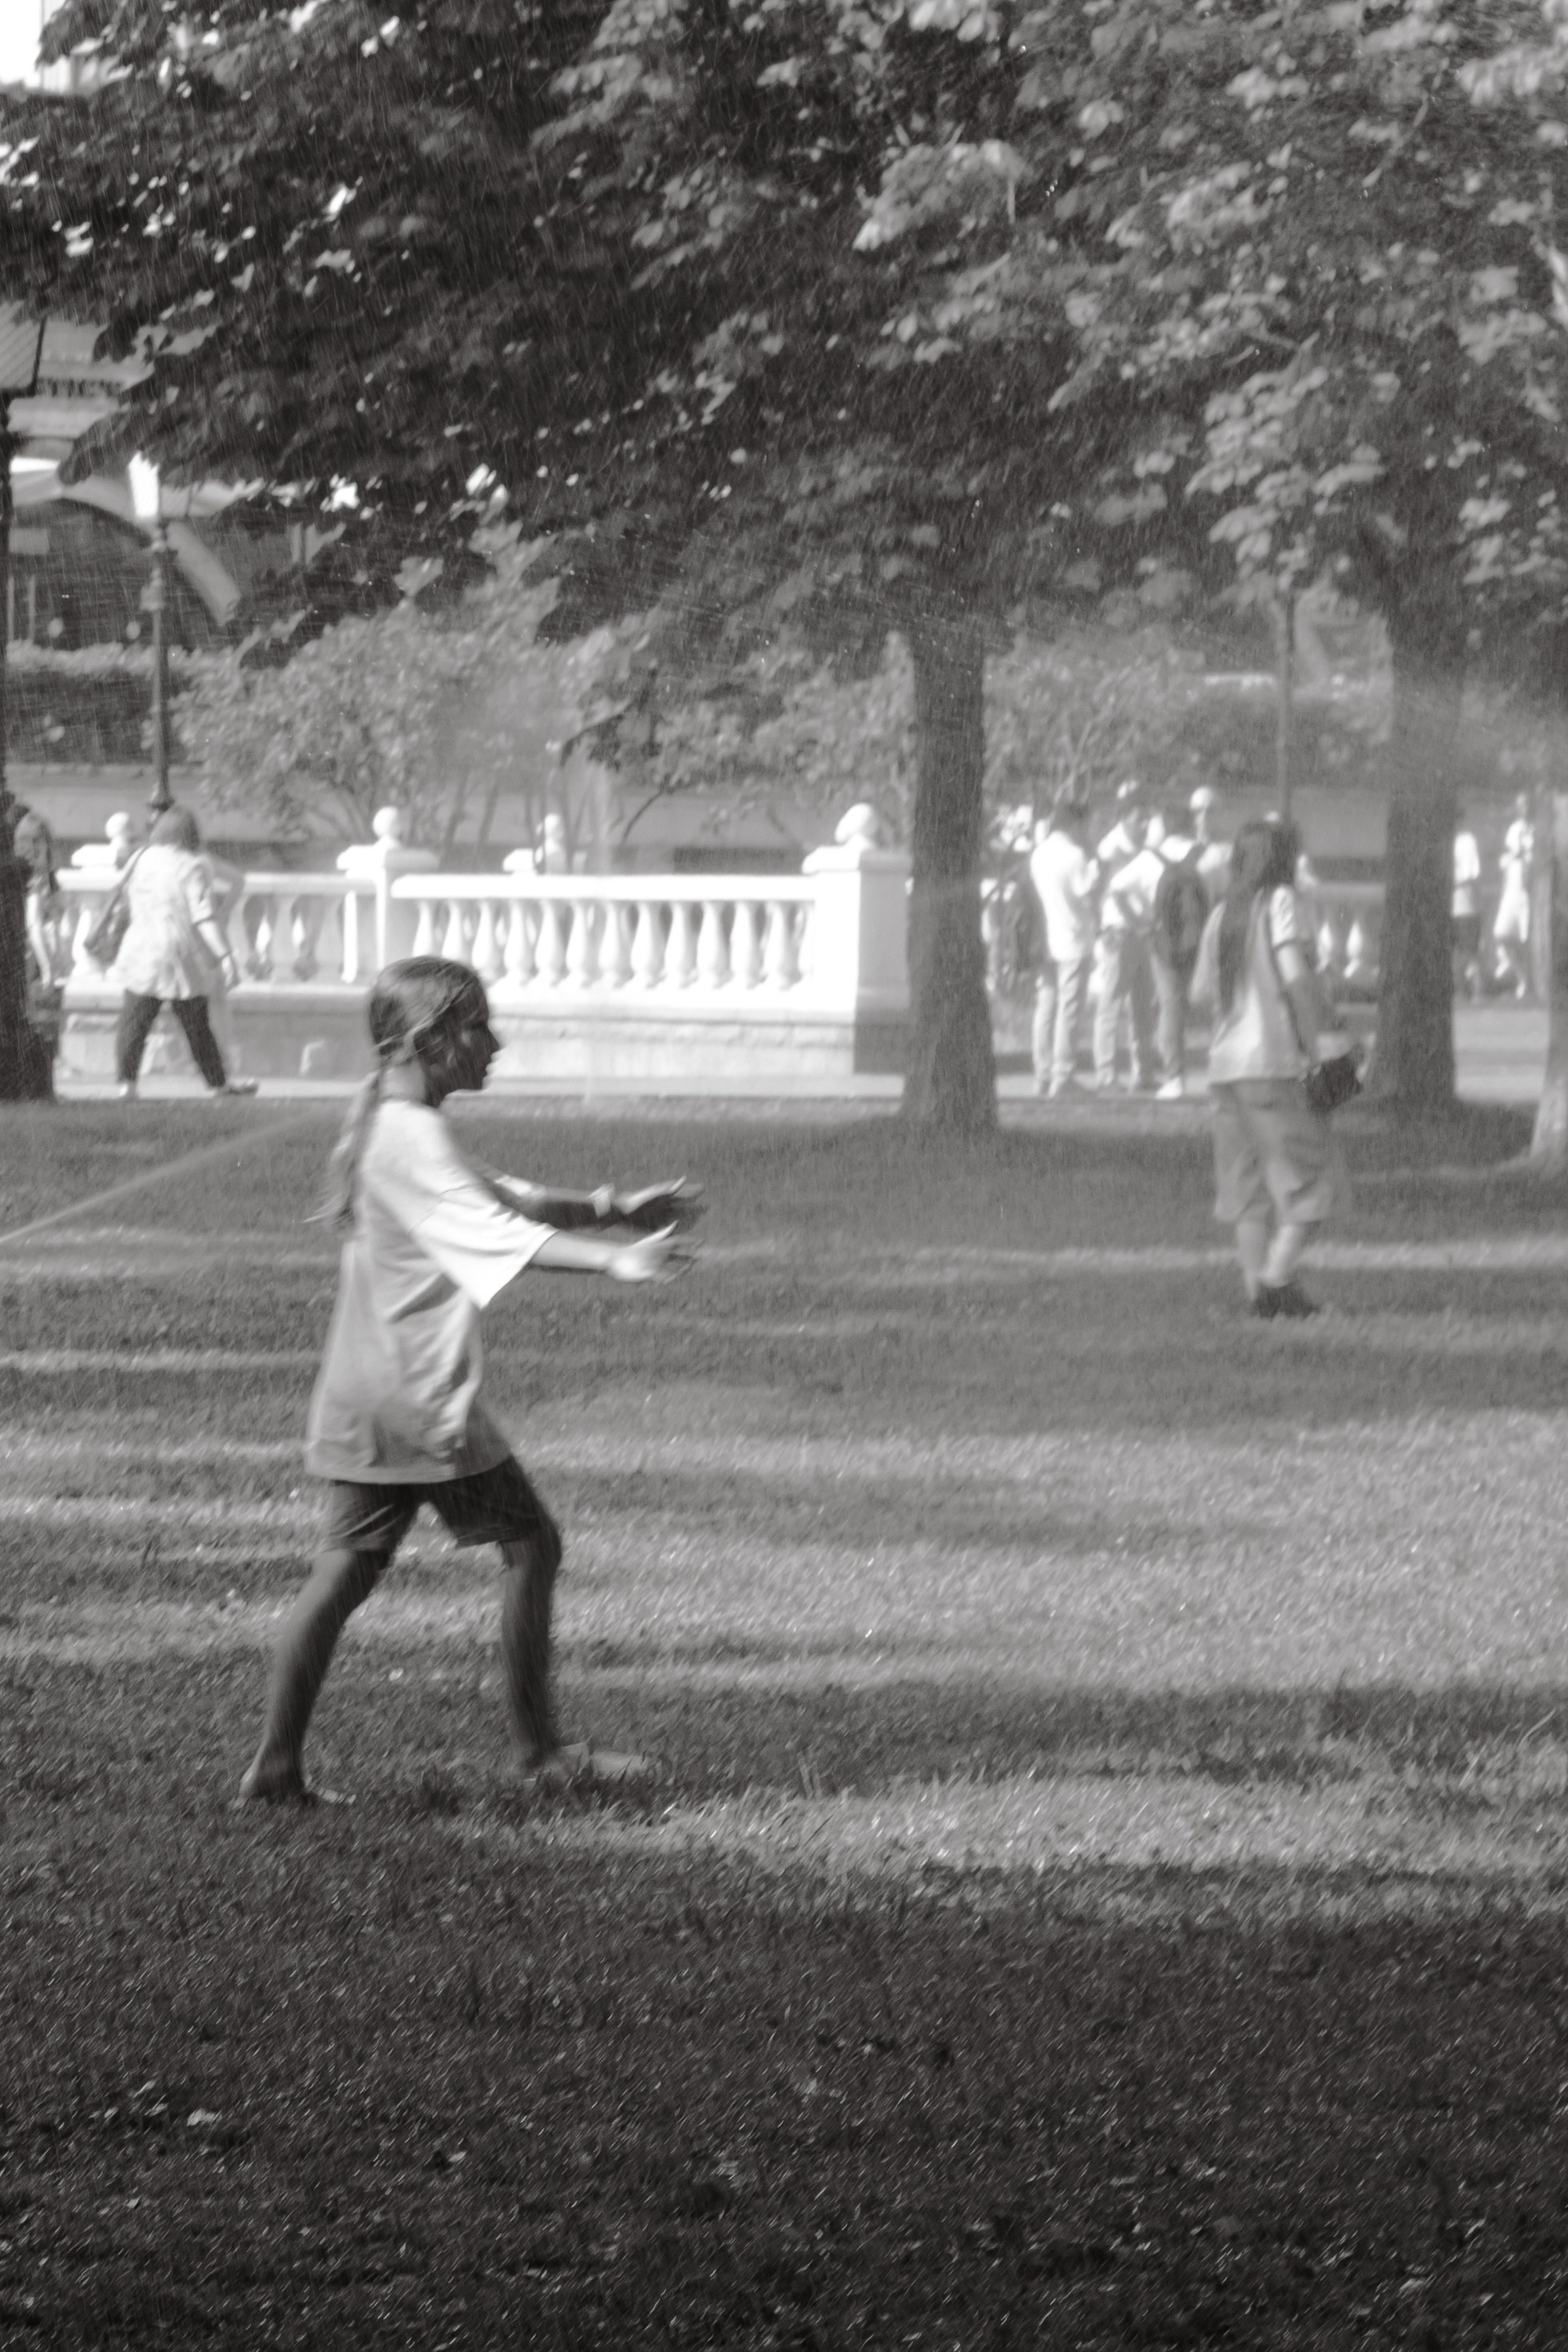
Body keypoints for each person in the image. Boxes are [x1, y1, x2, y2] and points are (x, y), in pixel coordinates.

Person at [236, 956, 702, 1807]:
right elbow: (488, 1229)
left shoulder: (400, 1123)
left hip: (366, 1396)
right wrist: (616, 1262)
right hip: (419, 1404)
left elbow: (505, 1197)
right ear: (426, 1042)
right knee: (533, 1546)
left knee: (342, 1572)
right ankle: (538, 1753)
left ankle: (274, 1770)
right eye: (476, 1024)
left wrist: (610, 1205)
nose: (494, 1040)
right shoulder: (407, 1136)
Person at [1191, 817, 1346, 1318]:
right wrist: (1318, 1046)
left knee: (1246, 1189)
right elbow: (1297, 982)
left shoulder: (1222, 915)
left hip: (1225, 1067)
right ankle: (1278, 1277)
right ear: (1286, 860)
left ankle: (1257, 1294)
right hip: (1272, 1063)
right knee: (1314, 1180)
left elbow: (1199, 995)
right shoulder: (1281, 904)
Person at [110, 805, 258, 1099]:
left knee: (134, 1021)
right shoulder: (192, 866)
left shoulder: (141, 858)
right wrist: (225, 956)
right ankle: (217, 1084)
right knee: (196, 1025)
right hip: (179, 954)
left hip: (141, 949)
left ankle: (126, 1084)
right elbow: (203, 917)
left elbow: (122, 894)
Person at [1028, 797, 1099, 1097]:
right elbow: (1085, 895)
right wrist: (1096, 874)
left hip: (1044, 941)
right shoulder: (1075, 856)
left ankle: (1042, 1073)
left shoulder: (1039, 854)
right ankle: (1063, 1074)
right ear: (1075, 823)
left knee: (1046, 1007)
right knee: (1068, 1010)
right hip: (1073, 939)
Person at [1094, 796, 1161, 1093]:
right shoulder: (1109, 851)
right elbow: (1101, 893)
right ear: (1123, 820)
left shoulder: (1146, 850)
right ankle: (1106, 1073)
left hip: (1143, 935)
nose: (1145, 825)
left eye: (1147, 819)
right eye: (1139, 819)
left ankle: (1143, 1072)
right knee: (1110, 1005)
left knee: (1142, 1007)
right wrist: (1104, 930)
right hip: (1119, 934)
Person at [1149, 805, 1210, 1099]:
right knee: (1216, 1006)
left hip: (1166, 948)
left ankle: (1175, 1077)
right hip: (1204, 941)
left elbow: (1118, 888)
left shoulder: (1150, 859)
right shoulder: (1212, 856)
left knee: (1170, 1007)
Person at [1493, 794, 1534, 999]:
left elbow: (1528, 855)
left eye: (1525, 805)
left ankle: (1524, 982)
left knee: (1524, 939)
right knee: (1500, 933)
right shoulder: (1515, 830)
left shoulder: (1530, 831)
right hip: (1512, 891)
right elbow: (1510, 856)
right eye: (1520, 805)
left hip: (1524, 892)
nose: (1522, 809)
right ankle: (1514, 969)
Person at [1452, 816, 1484, 1000]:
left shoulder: (1467, 841)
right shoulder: (1447, 840)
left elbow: (1472, 873)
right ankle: (1459, 991)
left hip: (1466, 905)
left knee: (1470, 950)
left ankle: (1476, 991)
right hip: (1452, 905)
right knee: (1455, 951)